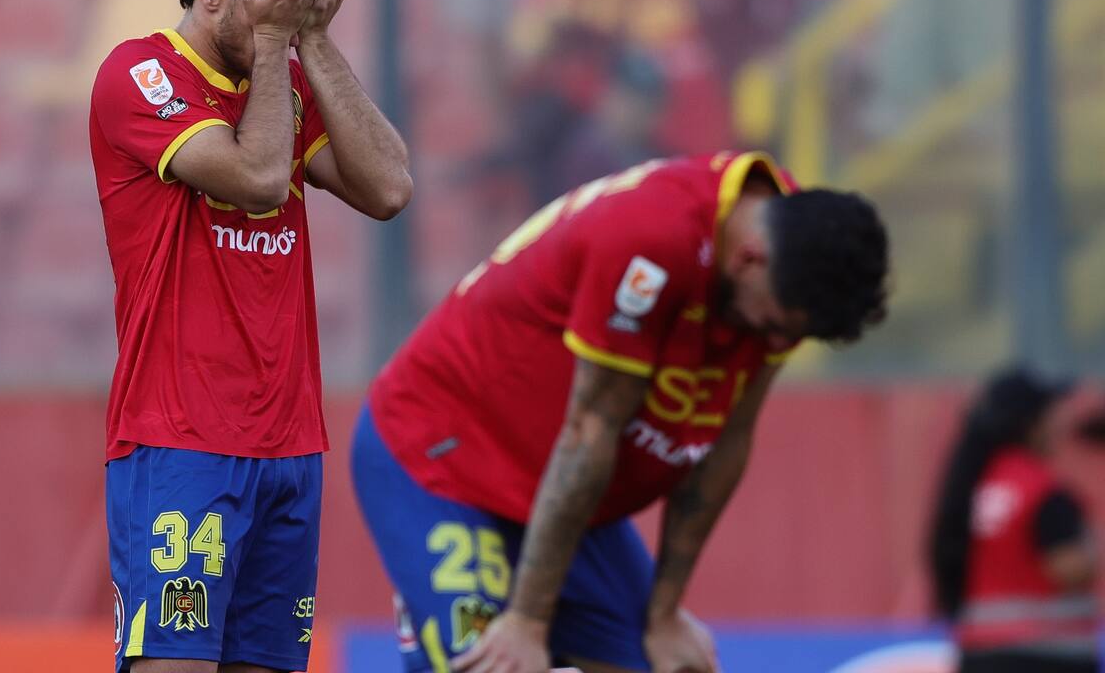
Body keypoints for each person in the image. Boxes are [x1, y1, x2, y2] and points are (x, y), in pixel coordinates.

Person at [353, 150, 890, 672]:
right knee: (497, 664)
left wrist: (664, 614)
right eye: (772, 327)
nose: (773, 344)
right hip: (441, 457)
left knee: (673, 665)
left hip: (554, 492)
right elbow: (590, 431)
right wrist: (528, 621)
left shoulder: (799, 251)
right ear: (749, 258)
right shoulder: (653, 240)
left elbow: (727, 437)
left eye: (790, 337)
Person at [89, 0, 412, 673]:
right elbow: (261, 177)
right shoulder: (140, 74)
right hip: (182, 441)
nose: (285, 18)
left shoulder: (283, 83)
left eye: (298, 4)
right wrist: (274, 45)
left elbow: (389, 188)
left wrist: (315, 42)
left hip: (290, 447)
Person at [929, 368, 1101, 673]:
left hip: (981, 653)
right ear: (1030, 425)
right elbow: (1069, 568)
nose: (1059, 423)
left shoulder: (974, 485)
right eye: (1052, 413)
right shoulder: (1043, 490)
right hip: (1046, 655)